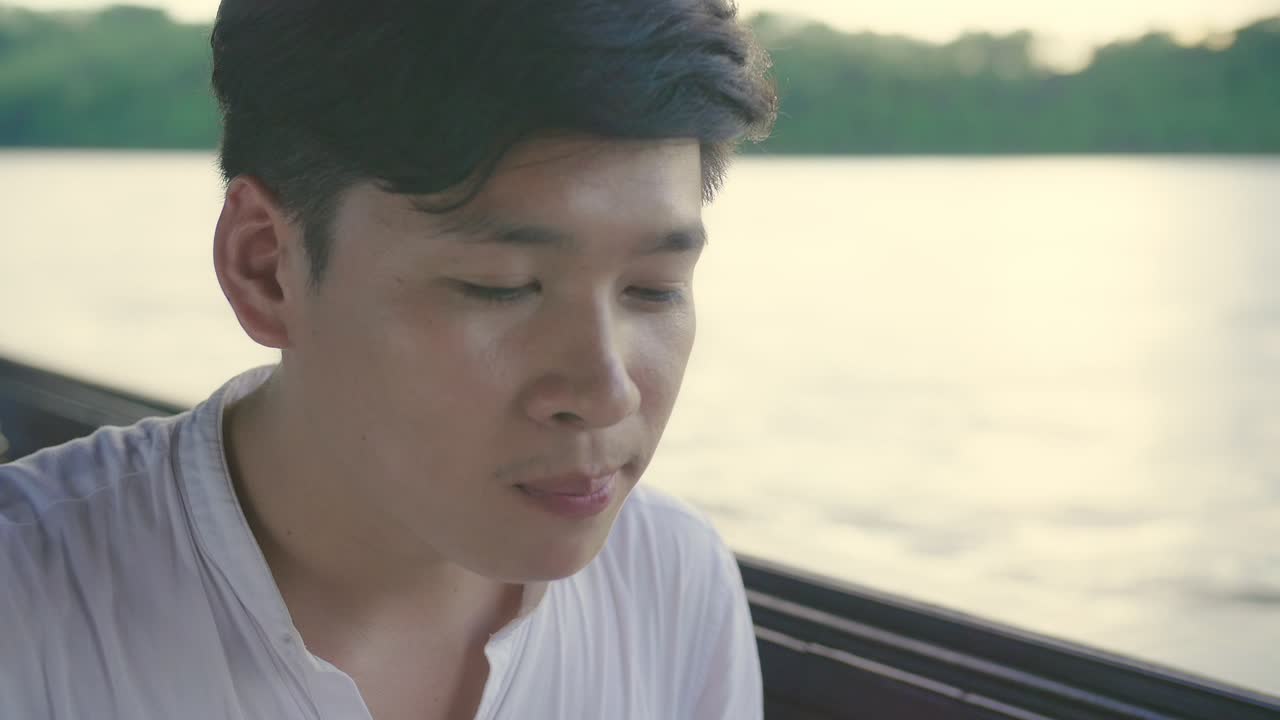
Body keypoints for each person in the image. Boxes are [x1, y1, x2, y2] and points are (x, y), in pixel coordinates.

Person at [0, 1, 776, 718]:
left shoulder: (672, 582)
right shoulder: (28, 611)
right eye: (499, 288)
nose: (606, 391)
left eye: (654, 289)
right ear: (268, 267)